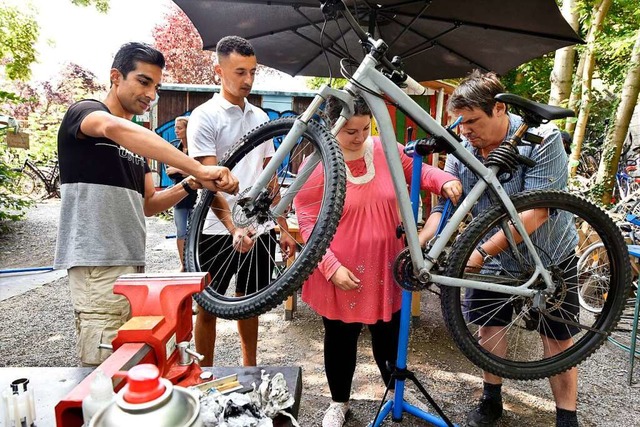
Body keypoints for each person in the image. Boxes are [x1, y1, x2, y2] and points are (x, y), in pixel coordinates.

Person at [53, 42, 238, 367]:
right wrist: (199, 167)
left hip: (132, 266)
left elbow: (150, 204)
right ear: (115, 76)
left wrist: (189, 183)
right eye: (143, 81)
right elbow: (111, 126)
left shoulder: (137, 142)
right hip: (97, 266)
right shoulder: (85, 113)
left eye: (156, 86)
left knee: (134, 367)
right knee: (105, 372)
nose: (151, 94)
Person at [419, 70, 579, 427]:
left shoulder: (543, 138)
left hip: (549, 252)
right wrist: (423, 242)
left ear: (500, 111)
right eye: (460, 123)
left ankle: (567, 416)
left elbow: (537, 212)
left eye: (473, 121)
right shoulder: (463, 150)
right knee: (489, 326)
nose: (466, 131)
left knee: (557, 336)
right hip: (494, 255)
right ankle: (490, 398)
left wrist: (477, 254)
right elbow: (447, 207)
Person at [294, 95, 462, 427]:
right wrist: (330, 266)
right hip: (340, 271)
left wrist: (443, 180)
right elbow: (307, 223)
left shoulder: (384, 148)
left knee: (389, 336)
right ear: (332, 127)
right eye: (350, 132)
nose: (359, 138)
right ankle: (339, 402)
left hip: (388, 266)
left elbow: (416, 169)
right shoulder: (317, 164)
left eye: (364, 128)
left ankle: (394, 392)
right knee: (341, 340)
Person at [188, 35, 296, 367]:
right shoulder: (204, 117)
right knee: (208, 306)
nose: (247, 80)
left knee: (249, 303)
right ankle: (202, 376)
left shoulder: (261, 118)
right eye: (239, 72)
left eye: (252, 72)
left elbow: (270, 177)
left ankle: (250, 369)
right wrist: (234, 227)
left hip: (258, 228)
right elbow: (209, 184)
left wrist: (282, 227)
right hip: (215, 230)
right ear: (218, 70)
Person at [165, 116, 197, 271]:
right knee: (181, 232)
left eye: (179, 127)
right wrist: (186, 171)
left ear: (188, 129)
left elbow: (198, 172)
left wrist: (179, 169)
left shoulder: (197, 149)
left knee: (196, 231)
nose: (176, 130)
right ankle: (184, 264)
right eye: (175, 127)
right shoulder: (175, 149)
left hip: (196, 196)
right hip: (179, 196)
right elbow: (169, 172)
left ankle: (195, 262)